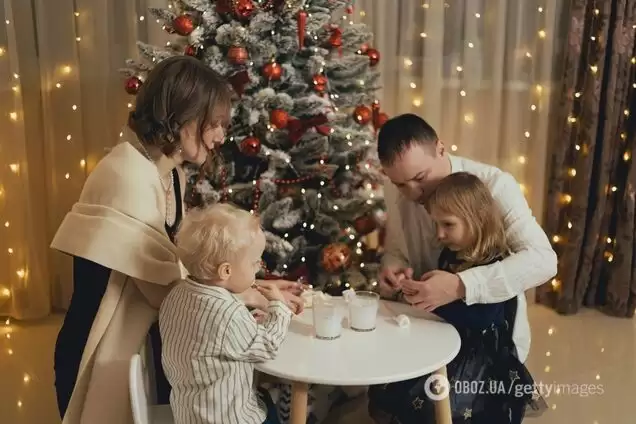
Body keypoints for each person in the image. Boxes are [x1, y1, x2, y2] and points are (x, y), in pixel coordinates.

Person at [50, 55, 303, 424]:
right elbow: (163, 286)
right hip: (95, 348)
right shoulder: (125, 176)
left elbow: (182, 269)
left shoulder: (170, 175)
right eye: (214, 124)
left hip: (139, 345)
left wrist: (257, 286)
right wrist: (253, 294)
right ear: (181, 116)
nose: (221, 137)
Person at [374, 113, 557, 366]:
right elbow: (397, 250)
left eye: (420, 178)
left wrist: (460, 286)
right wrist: (393, 268)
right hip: (424, 329)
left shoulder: (495, 186)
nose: (413, 193)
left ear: (440, 149)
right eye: (401, 185)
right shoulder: (398, 193)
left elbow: (543, 261)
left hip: (489, 347)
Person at [368, 172, 547, 423]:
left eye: (448, 225)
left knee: (443, 406)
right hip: (448, 339)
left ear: (477, 219)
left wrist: (433, 304)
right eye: (436, 225)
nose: (439, 234)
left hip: (479, 358)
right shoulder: (451, 253)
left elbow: (483, 318)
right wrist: (415, 287)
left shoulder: (494, 263)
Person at [160, 203, 291, 424]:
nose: (259, 267)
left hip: (189, 414)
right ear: (226, 271)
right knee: (269, 409)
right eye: (254, 263)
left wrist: (247, 320)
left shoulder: (176, 294)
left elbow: (208, 336)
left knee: (263, 397)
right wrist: (279, 306)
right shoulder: (229, 314)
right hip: (226, 418)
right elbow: (268, 347)